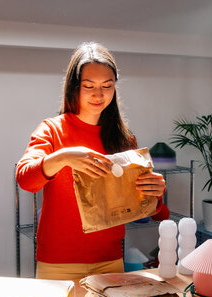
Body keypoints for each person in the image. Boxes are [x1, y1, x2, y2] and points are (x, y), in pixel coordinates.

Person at [16, 42, 170, 280]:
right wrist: (64, 157)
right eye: (89, 86)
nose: (99, 95)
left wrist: (155, 194)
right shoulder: (52, 130)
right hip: (58, 262)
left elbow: (152, 210)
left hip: (109, 260)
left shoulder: (123, 138)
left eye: (107, 86)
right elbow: (26, 180)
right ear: (74, 87)